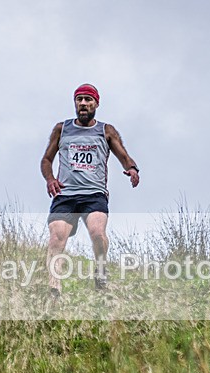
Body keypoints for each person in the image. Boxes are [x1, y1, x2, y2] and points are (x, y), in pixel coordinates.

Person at [40, 83, 140, 298]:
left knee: (97, 233)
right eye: (79, 100)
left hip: (94, 194)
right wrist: (50, 179)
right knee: (57, 236)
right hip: (65, 194)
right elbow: (46, 159)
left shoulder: (106, 131)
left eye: (88, 99)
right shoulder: (62, 129)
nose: (83, 103)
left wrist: (132, 168)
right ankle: (53, 289)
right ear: (75, 103)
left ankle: (101, 270)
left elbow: (124, 156)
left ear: (96, 103)